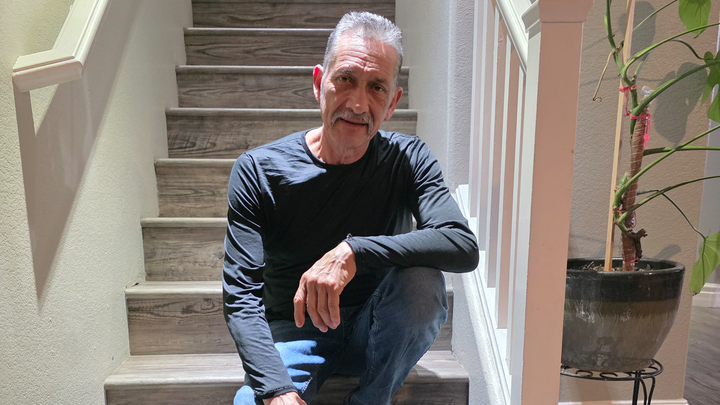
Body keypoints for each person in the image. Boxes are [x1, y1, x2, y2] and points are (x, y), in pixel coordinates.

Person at [223, 11, 479, 405]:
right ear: (318, 83)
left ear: (392, 103)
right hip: (294, 332)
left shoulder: (408, 157)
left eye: (376, 87)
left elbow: (461, 244)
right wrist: (276, 390)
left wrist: (355, 251)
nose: (358, 103)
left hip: (376, 329)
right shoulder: (259, 170)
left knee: (422, 282)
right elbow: (241, 295)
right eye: (345, 79)